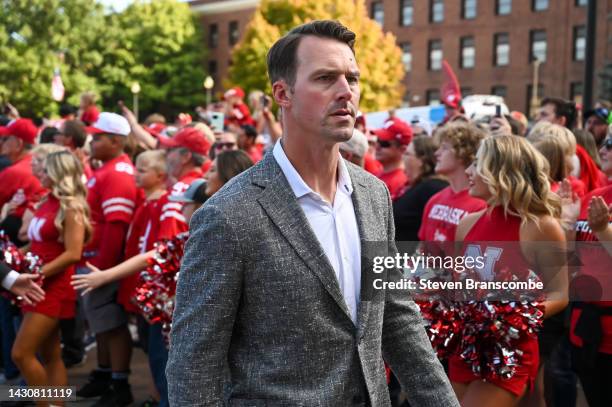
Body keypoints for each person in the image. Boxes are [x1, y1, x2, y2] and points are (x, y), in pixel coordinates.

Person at [166, 20, 458, 406]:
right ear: (282, 93)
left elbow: (397, 318)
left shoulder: (374, 195)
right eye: (325, 78)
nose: (345, 92)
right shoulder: (228, 215)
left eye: (352, 78)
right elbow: (193, 364)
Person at [72, 149, 253, 407]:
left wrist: (106, 275)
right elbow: (159, 253)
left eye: (213, 170)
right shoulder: (194, 225)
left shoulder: (223, 225)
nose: (207, 174)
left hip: (204, 325)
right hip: (183, 321)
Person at [451, 135, 568, 407]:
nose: (468, 171)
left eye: (477, 164)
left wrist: (513, 312)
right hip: (465, 349)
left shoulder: (540, 227)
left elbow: (561, 293)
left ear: (501, 171)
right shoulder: (466, 224)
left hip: (508, 351)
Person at [11, 150, 92, 400]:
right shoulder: (47, 202)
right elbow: (37, 244)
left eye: (46, 170)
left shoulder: (71, 207)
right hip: (38, 284)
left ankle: (44, 404)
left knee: (21, 354)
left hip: (52, 287)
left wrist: (36, 274)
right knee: (51, 355)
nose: (40, 174)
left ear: (59, 173)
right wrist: (12, 257)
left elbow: (73, 253)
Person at [77, 112, 138, 406]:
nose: (92, 141)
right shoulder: (109, 168)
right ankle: (104, 373)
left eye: (98, 137)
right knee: (101, 323)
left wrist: (103, 267)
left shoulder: (116, 173)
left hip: (103, 263)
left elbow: (116, 226)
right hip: (94, 260)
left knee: (111, 324)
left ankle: (119, 382)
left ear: (115, 142)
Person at [562, 132, 612, 407]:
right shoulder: (594, 196)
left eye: (611, 144)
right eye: (604, 142)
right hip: (586, 332)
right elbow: (571, 263)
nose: (603, 149)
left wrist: (604, 230)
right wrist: (568, 226)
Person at [419, 122, 487, 245]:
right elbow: (422, 250)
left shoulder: (481, 205)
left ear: (463, 152)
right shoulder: (434, 200)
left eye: (444, 148)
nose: (437, 153)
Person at [393, 136, 448, 243]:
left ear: (422, 160)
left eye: (407, 154)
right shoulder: (413, 186)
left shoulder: (432, 188)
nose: (402, 157)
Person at [0, 118, 46, 244]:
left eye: (5, 139)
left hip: (20, 237)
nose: (1, 142)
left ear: (19, 143)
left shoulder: (15, 171)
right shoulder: (34, 163)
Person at [373, 117, 413, 200]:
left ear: (402, 149)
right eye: (378, 140)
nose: (377, 146)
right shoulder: (376, 173)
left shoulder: (401, 181)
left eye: (384, 143)